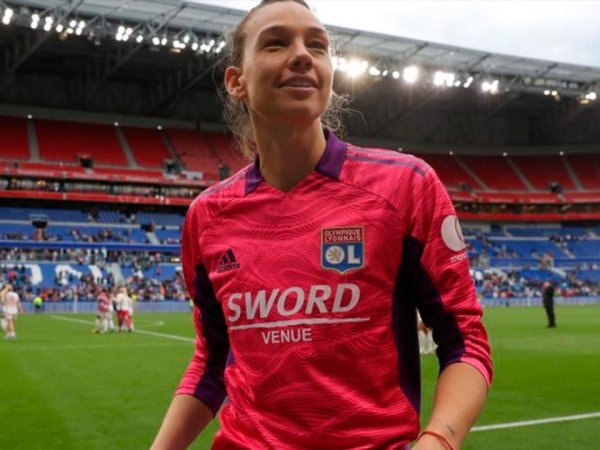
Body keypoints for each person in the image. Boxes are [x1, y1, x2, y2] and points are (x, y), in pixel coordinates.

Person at [151, 1, 493, 449]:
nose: (302, 55)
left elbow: (465, 340)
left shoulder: (404, 186)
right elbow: (211, 361)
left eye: (317, 45)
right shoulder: (207, 217)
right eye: (276, 43)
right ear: (236, 81)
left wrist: (438, 441)